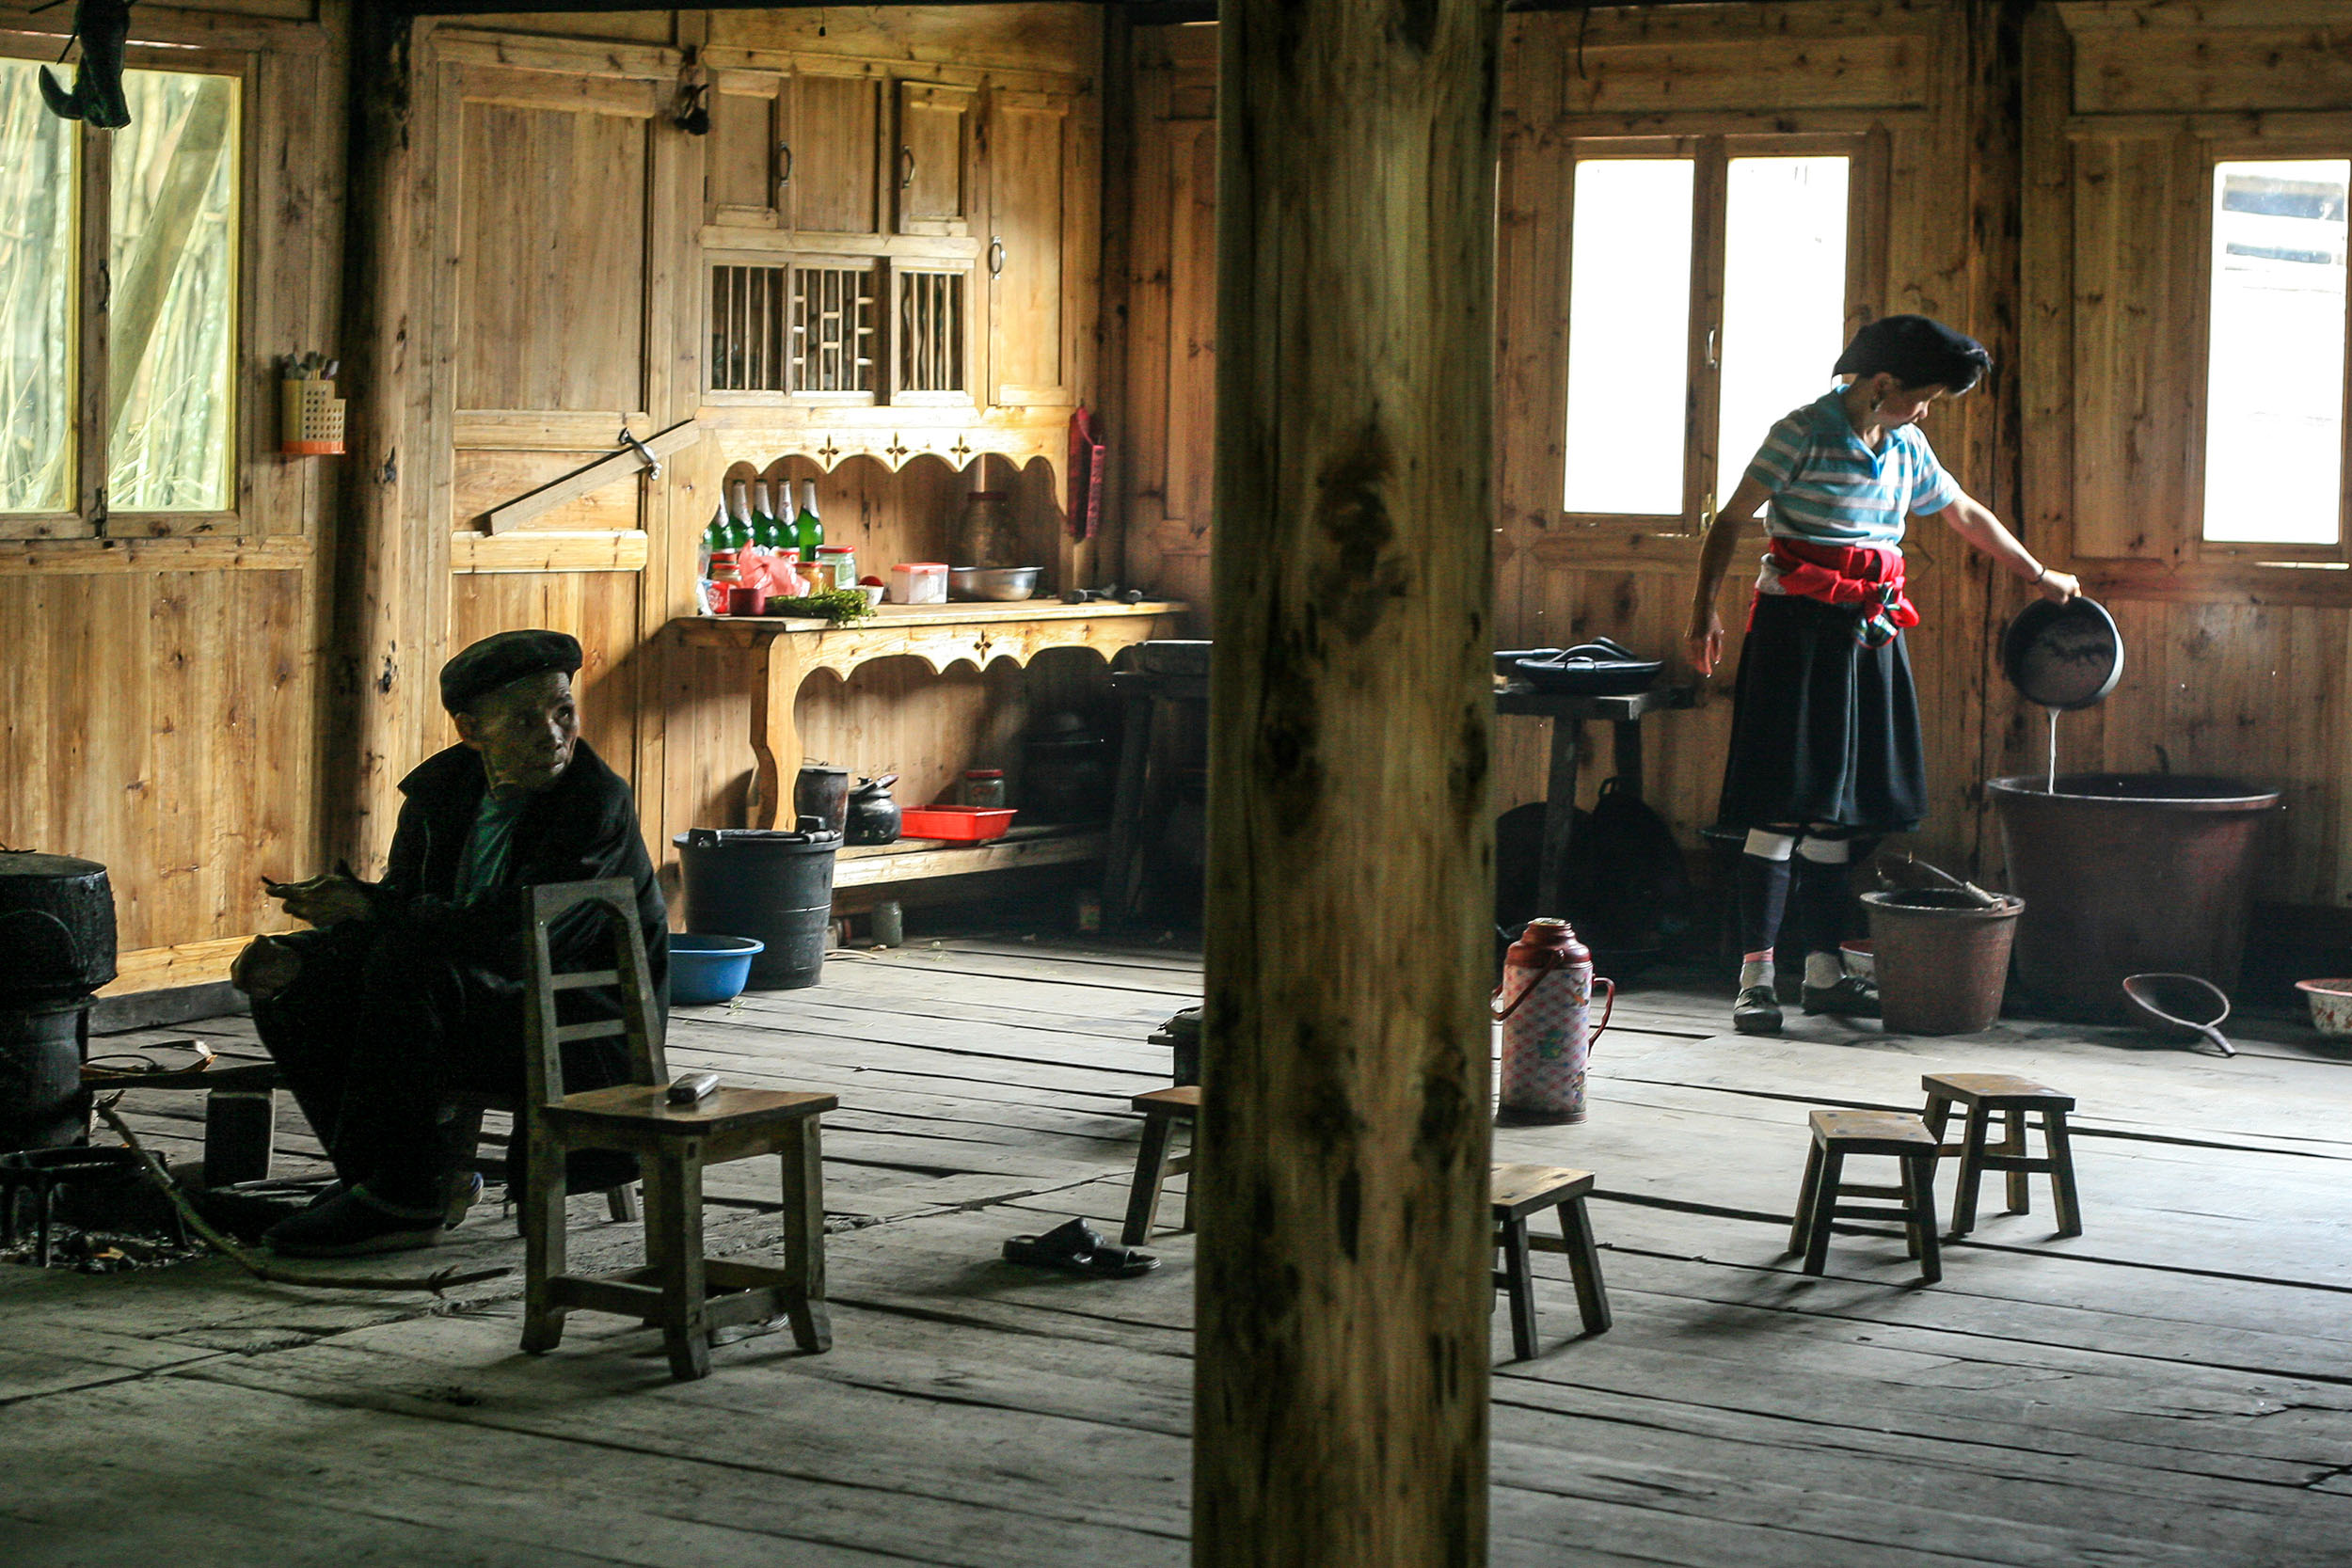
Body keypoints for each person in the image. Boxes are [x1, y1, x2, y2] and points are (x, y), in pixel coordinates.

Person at [1683, 316, 2078, 1037]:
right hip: (1797, 632)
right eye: (1921, 397)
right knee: (1782, 802)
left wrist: (2039, 574)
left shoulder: (1907, 447)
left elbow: (1962, 511)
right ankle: (1757, 979)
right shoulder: (1801, 431)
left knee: (1842, 809)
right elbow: (1734, 517)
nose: (1925, 412)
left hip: (1871, 629)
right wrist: (1703, 612)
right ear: (1883, 383)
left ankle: (1826, 973)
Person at [230, 629, 668, 1256]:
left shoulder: (595, 803)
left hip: (573, 1025)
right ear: (470, 730)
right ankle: (381, 1181)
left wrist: (375, 909)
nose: (552, 733)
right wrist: (304, 951)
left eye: (563, 711)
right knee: (294, 984)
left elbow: (522, 935)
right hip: (467, 1006)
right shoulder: (442, 795)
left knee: (407, 966)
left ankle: (407, 1195)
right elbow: (410, 905)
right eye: (523, 719)